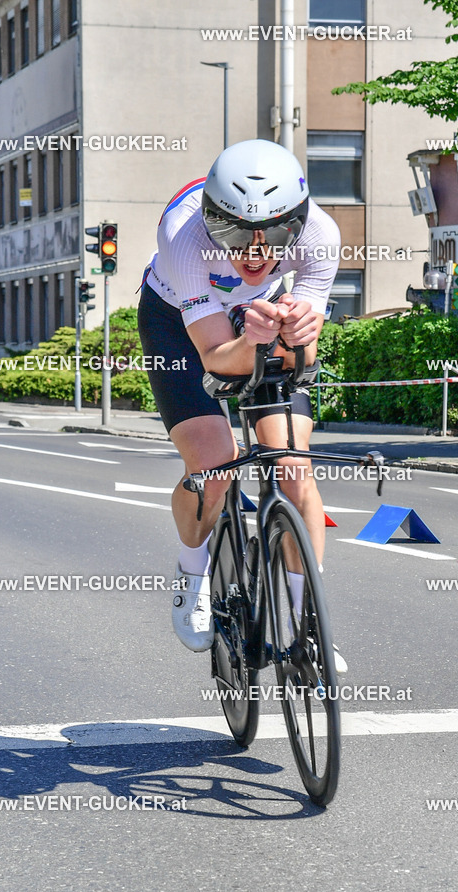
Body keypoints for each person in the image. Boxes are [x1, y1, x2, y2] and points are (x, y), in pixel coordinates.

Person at [138, 138, 346, 671]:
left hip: (260, 314)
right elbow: (214, 358)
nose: (255, 252)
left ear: (297, 223)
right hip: (178, 324)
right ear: (211, 220)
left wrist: (295, 335)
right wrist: (253, 339)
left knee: (294, 467)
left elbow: (302, 358)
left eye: (274, 234)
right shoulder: (183, 234)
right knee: (214, 466)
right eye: (234, 234)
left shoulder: (321, 236)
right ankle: (192, 572)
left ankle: (307, 623)